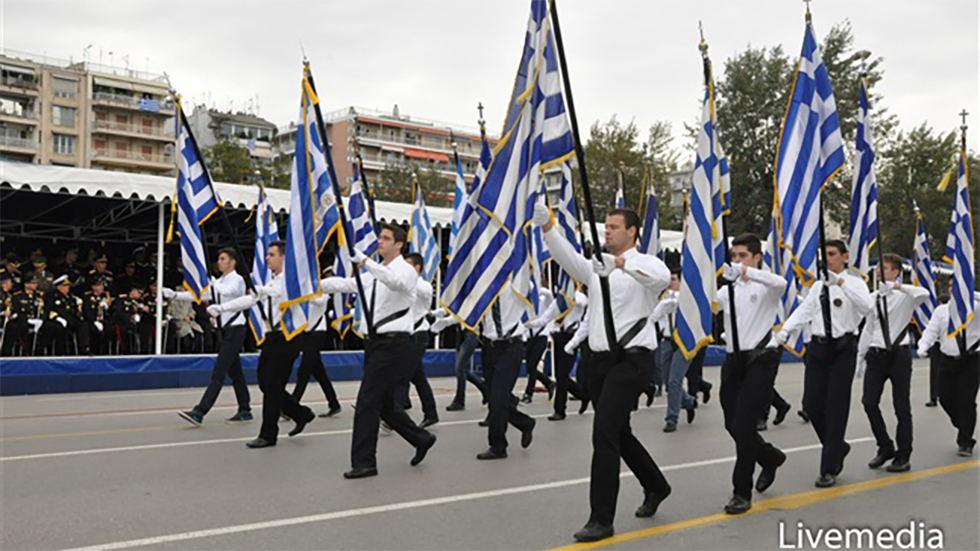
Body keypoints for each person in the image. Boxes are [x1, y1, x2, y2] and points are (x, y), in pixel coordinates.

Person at [536, 204, 672, 543]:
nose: (607, 231)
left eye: (614, 227)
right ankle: (657, 485)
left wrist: (621, 265)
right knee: (619, 433)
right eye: (605, 226)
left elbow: (660, 280)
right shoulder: (597, 268)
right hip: (599, 362)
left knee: (605, 434)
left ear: (632, 232)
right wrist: (549, 228)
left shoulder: (644, 261)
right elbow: (570, 260)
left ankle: (601, 519)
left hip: (632, 361)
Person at [319, 225, 436, 478]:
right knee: (383, 403)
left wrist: (365, 260)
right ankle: (421, 438)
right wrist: (314, 286)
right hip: (375, 342)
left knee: (367, 401)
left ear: (399, 245)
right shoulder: (375, 273)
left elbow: (394, 282)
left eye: (385, 238)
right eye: (380, 238)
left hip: (395, 343)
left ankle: (365, 463)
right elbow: (349, 284)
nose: (380, 242)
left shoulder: (405, 271)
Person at [777, 239, 874, 488]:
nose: (827, 258)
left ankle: (828, 467)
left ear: (844, 256)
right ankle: (837, 446)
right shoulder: (818, 285)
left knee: (836, 408)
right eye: (824, 254)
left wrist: (840, 282)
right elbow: (806, 310)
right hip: (819, 348)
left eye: (832, 254)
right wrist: (785, 330)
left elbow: (867, 307)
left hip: (843, 349)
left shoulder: (855, 283)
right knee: (812, 404)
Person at [716, 233, 788, 515]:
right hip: (734, 360)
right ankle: (770, 457)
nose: (737, 261)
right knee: (731, 424)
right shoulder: (727, 291)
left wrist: (747, 272)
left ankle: (740, 491)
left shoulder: (766, 285)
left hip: (761, 358)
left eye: (743, 256)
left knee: (745, 425)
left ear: (757, 257)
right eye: (734, 256)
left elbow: (781, 283)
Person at [433, 281, 537, 460]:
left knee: (498, 399)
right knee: (494, 396)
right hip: (490, 347)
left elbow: (529, 285)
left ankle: (498, 446)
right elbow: (471, 311)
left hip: (511, 346)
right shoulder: (485, 285)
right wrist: (445, 321)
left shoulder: (517, 283)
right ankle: (524, 422)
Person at [857, 253, 931, 473]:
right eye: (878, 269)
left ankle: (903, 455)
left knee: (902, 407)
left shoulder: (905, 295)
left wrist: (898, 287)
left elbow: (924, 294)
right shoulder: (873, 297)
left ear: (896, 272)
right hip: (876, 355)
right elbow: (868, 329)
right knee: (869, 402)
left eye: (885, 268)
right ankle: (885, 446)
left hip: (899, 355)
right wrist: (859, 360)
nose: (879, 272)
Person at [164, 248, 253, 425]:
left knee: (219, 372)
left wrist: (210, 282)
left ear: (232, 262)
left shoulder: (237, 280)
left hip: (236, 329)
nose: (218, 262)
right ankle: (245, 410)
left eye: (222, 259)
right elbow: (201, 295)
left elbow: (227, 291)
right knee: (236, 373)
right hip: (225, 330)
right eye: (218, 259)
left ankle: (200, 411)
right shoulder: (219, 281)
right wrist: (176, 295)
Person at [245, 240, 317, 448]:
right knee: (264, 383)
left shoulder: (291, 281)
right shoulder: (273, 281)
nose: (267, 258)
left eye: (272, 254)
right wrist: (223, 308)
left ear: (284, 257)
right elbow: (255, 299)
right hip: (272, 336)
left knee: (274, 386)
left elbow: (282, 294)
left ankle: (268, 434)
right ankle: (301, 413)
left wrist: (259, 291)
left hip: (289, 336)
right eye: (267, 254)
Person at [916, 281, 980, 457]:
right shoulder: (941, 311)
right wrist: (923, 346)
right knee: (945, 398)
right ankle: (964, 426)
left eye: (957, 284)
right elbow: (931, 331)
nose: (953, 288)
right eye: (951, 285)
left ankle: (965, 441)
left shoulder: (976, 307)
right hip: (948, 360)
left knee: (966, 401)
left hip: (971, 360)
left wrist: (970, 293)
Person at [527, 288, 589, 420]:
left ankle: (560, 410)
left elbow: (582, 302)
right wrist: (525, 324)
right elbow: (543, 320)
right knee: (562, 376)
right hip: (558, 337)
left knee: (562, 374)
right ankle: (583, 394)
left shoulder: (578, 298)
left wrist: (570, 296)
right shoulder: (557, 303)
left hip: (571, 338)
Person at [291, 268, 342, 418]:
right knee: (319, 372)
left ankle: (292, 405)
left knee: (304, 371)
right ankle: (334, 403)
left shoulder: (322, 292)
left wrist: (305, 292)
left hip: (317, 333)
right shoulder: (304, 292)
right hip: (306, 333)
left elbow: (318, 301)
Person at [650, 271, 697, 432]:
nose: (671, 283)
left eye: (675, 280)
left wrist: (675, 301)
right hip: (667, 341)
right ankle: (689, 402)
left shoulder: (688, 298)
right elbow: (654, 317)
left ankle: (672, 419)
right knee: (667, 382)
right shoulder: (664, 298)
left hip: (683, 343)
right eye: (669, 280)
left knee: (675, 381)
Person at [401, 252, 438, 428]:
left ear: (417, 268)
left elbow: (422, 292)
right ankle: (431, 413)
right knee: (418, 377)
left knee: (403, 374)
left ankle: (394, 414)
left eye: (407, 265)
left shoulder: (424, 286)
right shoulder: (403, 285)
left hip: (419, 334)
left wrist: (409, 278)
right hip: (407, 334)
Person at [521, 286, 556, 404]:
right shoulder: (525, 300)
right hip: (529, 337)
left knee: (532, 365)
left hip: (542, 335)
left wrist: (535, 288)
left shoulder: (544, 299)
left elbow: (549, 294)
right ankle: (549, 383)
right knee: (530, 367)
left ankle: (528, 394)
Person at [38, 275, 86, 356]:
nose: (68, 288)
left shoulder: (70, 296)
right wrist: (59, 318)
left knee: (84, 325)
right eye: (65, 286)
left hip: (71, 319)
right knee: (58, 328)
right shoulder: (53, 296)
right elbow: (52, 309)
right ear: (59, 287)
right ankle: (61, 351)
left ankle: (84, 348)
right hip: (59, 319)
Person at [2, 276, 43, 356]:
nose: (35, 285)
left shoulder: (38, 296)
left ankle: (38, 352)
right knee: (16, 327)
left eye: (36, 283)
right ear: (26, 284)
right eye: (33, 283)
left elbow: (42, 310)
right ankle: (24, 351)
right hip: (22, 321)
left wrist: (40, 319)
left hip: (36, 321)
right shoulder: (18, 296)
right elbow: (15, 311)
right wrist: (27, 320)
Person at [82, 278, 113, 355]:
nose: (102, 287)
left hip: (103, 320)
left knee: (109, 328)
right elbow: (87, 311)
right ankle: (93, 351)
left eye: (102, 285)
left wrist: (107, 308)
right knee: (92, 330)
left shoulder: (105, 297)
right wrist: (94, 321)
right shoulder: (88, 297)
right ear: (94, 287)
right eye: (99, 285)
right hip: (92, 321)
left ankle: (105, 351)